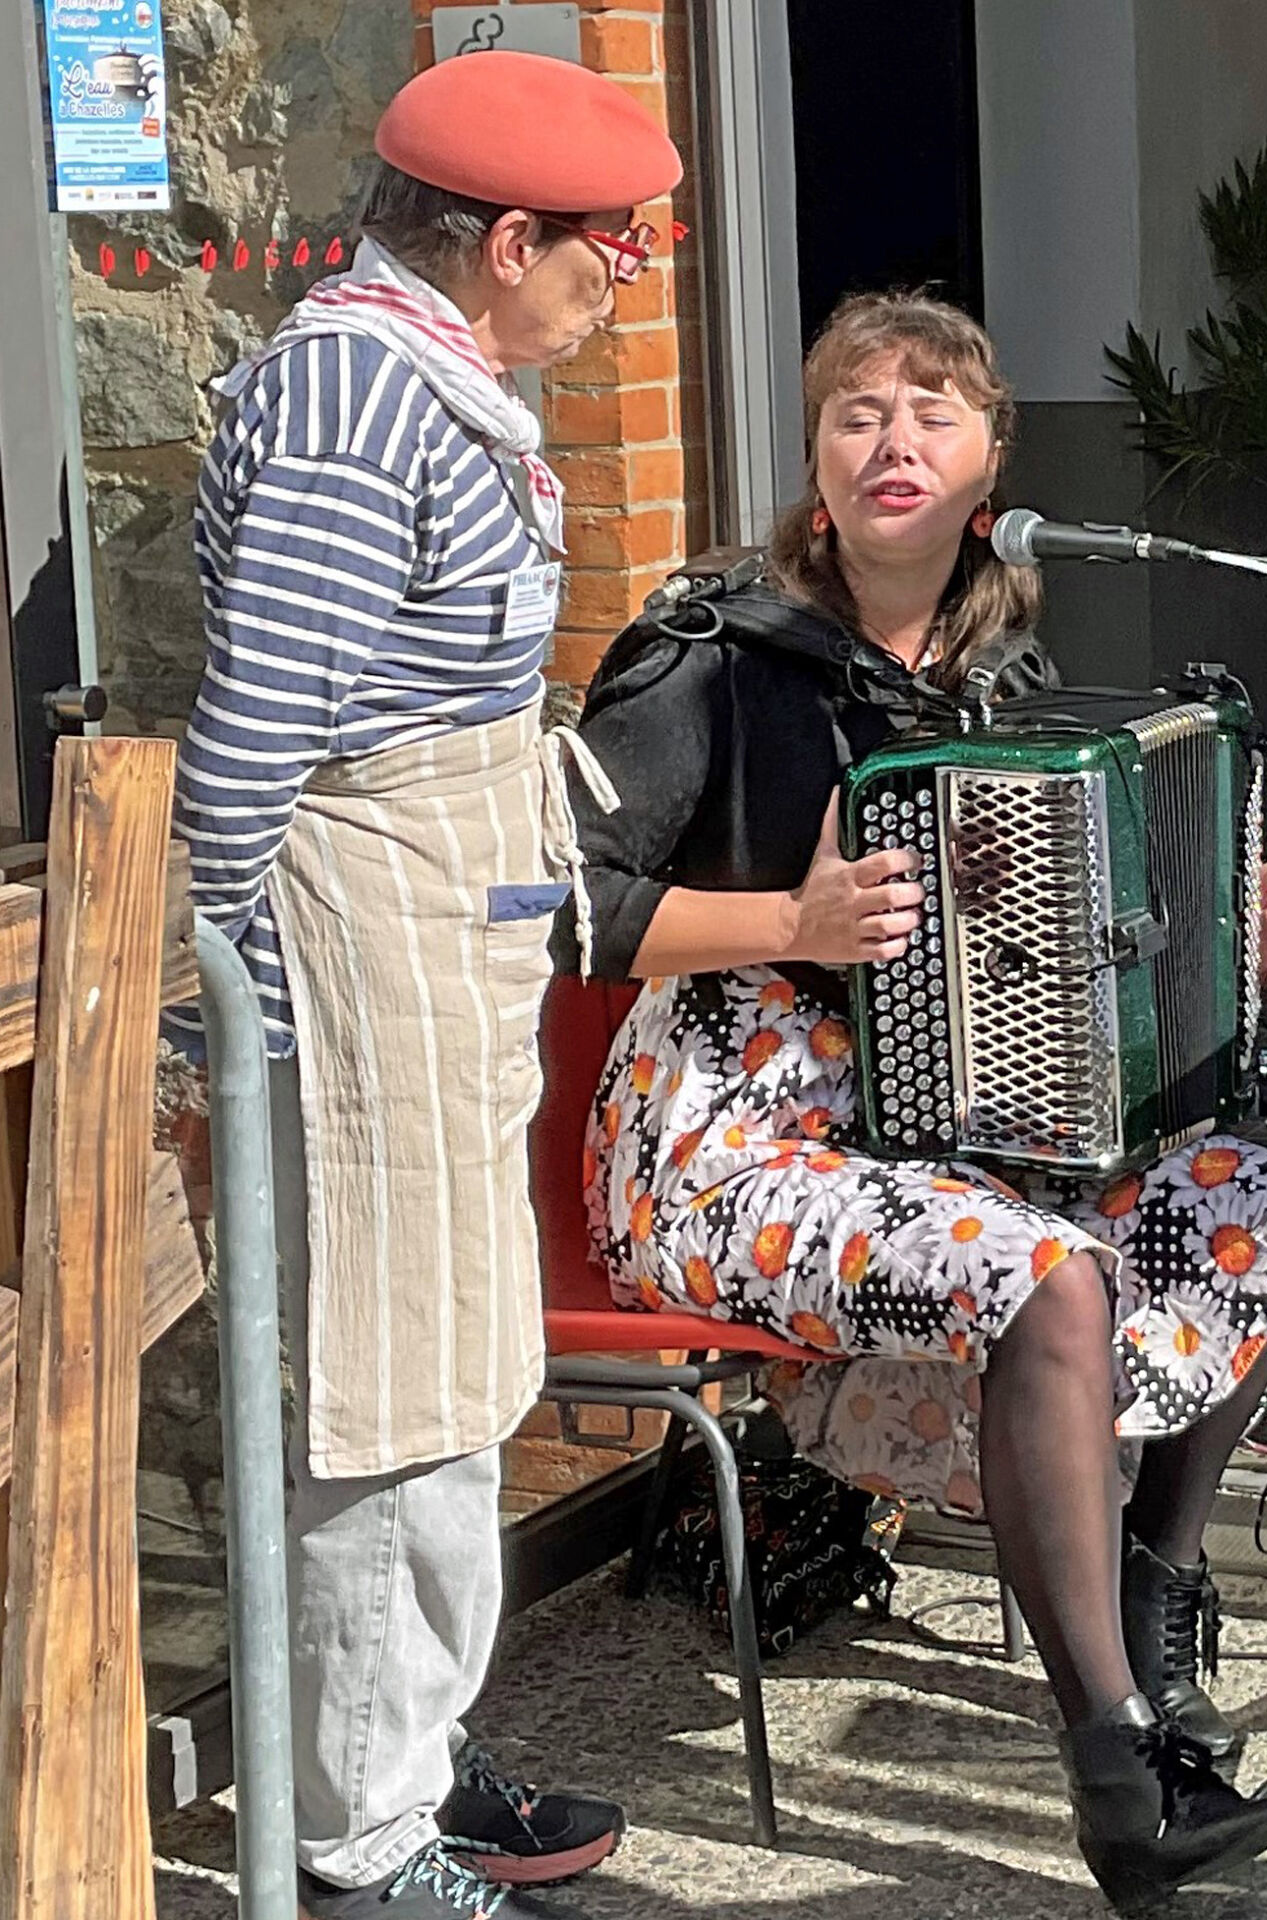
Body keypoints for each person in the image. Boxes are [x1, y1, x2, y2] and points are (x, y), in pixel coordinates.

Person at [559, 290, 1267, 1908]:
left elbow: (1056, 936)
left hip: (946, 1121)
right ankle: (1117, 1767)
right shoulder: (709, 653)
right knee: (1048, 1274)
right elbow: (565, 901)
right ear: (815, 462)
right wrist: (790, 923)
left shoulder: (1010, 667)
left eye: (933, 411)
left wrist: (1221, 933)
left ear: (993, 458)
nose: (894, 441)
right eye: (859, 413)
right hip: (723, 1130)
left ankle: (1153, 1596)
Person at [177, 51, 679, 1920]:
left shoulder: (434, 380)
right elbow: (249, 750)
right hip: (355, 953)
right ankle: (357, 1837)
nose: (623, 279)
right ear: (506, 240)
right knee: (378, 1397)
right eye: (611, 248)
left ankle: (409, 1745)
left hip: (438, 931)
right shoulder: (346, 398)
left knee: (453, 1373)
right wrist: (237, 1022)